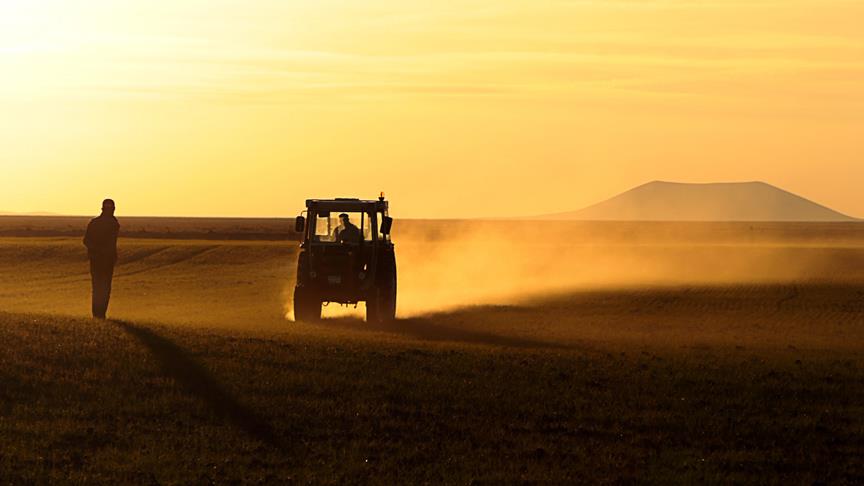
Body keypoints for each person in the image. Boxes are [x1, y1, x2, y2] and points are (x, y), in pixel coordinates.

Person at [83, 199, 120, 319]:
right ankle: (99, 314)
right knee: (103, 287)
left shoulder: (99, 222)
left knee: (99, 287)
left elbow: (86, 240)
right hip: (101, 260)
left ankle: (98, 314)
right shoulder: (113, 223)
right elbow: (87, 241)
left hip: (102, 260)